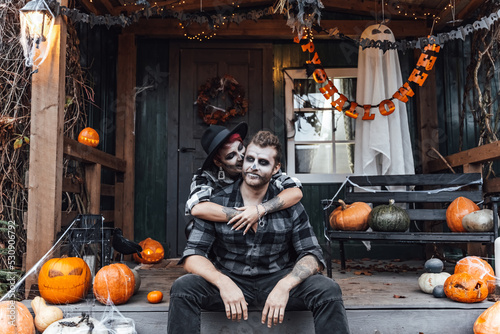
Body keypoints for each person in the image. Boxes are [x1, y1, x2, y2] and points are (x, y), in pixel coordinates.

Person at [169, 131, 350, 334]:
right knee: (183, 288)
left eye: (263, 162)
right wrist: (223, 281)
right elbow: (192, 255)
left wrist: (285, 285)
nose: (254, 166)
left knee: (328, 289)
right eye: (250, 159)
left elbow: (312, 254)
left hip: (277, 278)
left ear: (276, 169)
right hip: (230, 280)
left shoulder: (289, 204)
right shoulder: (216, 202)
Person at [185, 122, 303, 233]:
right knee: (192, 227)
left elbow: (294, 191)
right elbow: (197, 208)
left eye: (240, 148)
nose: (241, 156)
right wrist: (245, 215)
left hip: (265, 223)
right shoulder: (206, 176)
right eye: (231, 156)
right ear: (218, 162)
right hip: (227, 229)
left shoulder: (259, 167)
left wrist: (260, 210)